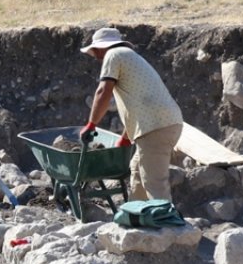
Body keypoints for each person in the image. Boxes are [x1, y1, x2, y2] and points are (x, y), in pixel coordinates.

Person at [79, 27, 184, 202]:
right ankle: (137, 217)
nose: (96, 56)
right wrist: (126, 137)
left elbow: (103, 92)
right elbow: (138, 103)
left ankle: (168, 224)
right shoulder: (128, 56)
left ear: (102, 47)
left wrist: (91, 124)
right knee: (136, 171)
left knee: (154, 182)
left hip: (156, 127)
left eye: (95, 50)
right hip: (161, 123)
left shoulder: (113, 55)